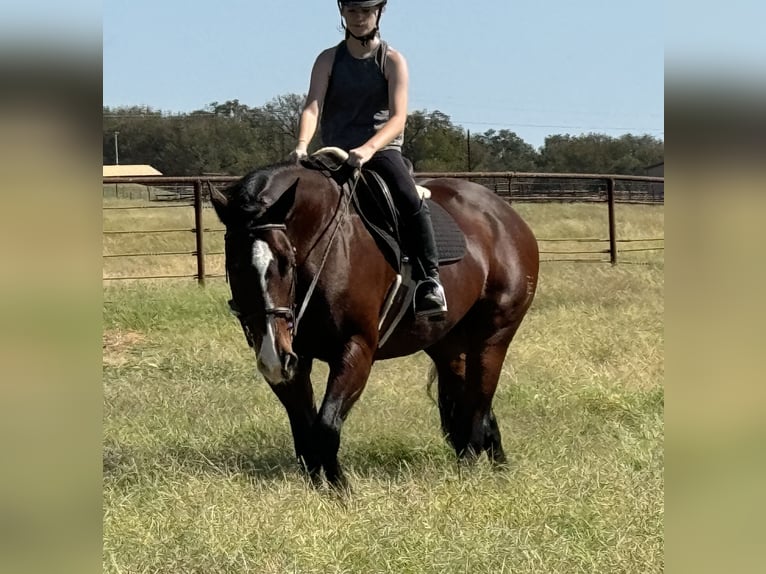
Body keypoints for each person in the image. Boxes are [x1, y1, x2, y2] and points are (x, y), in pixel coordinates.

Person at [290, 0, 447, 318]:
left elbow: (398, 117)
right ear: (342, 13)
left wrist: (369, 148)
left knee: (405, 195)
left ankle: (429, 281)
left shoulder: (391, 59)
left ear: (379, 13)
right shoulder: (328, 59)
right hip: (334, 153)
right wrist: (302, 146)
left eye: (365, 12)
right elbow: (313, 106)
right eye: (352, 11)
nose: (358, 18)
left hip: (380, 151)